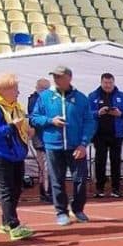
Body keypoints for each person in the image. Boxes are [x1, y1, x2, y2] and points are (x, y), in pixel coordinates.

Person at [30, 65, 97, 226]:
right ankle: (61, 211)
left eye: (59, 76)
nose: (56, 79)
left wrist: (83, 144)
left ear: (69, 77)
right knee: (57, 180)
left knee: (80, 180)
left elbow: (89, 122)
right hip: (53, 146)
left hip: (76, 147)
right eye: (54, 76)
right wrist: (50, 121)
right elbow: (34, 118)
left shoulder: (81, 98)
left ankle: (78, 209)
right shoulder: (45, 97)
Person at [0, 73, 34, 241]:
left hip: (15, 154)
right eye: (15, 89)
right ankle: (13, 225)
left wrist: (27, 130)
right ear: (5, 90)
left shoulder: (15, 106)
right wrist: (11, 127)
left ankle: (5, 222)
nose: (18, 93)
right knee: (7, 190)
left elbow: (22, 127)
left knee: (16, 188)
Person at [88, 73, 123, 198]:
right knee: (100, 161)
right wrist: (98, 112)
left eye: (110, 83)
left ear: (114, 82)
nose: (108, 85)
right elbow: (86, 113)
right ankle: (100, 188)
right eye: (105, 83)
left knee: (116, 161)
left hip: (116, 134)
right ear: (101, 82)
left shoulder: (122, 96)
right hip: (99, 134)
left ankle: (116, 188)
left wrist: (120, 114)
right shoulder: (93, 96)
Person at [26, 78, 51, 202]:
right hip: (40, 138)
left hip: (47, 137)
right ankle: (45, 192)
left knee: (48, 166)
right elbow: (34, 119)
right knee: (45, 166)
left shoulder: (44, 99)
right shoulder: (35, 100)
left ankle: (48, 191)